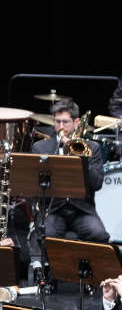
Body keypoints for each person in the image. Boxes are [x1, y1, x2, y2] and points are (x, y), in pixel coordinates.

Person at [29, 100, 109, 246]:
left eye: (65, 122)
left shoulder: (92, 148)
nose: (61, 127)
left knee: (99, 234)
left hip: (82, 209)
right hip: (52, 209)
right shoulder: (40, 147)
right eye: (57, 121)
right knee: (47, 235)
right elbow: (33, 185)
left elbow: (97, 183)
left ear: (76, 122)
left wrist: (80, 157)